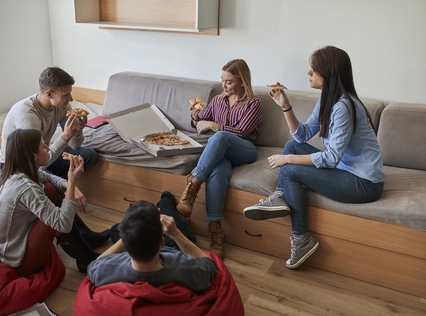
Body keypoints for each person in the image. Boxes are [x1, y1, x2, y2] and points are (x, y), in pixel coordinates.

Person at [243, 46, 386, 269]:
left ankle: (301, 239)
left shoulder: (343, 106)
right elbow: (301, 136)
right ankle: (280, 195)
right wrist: (285, 106)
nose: (308, 73)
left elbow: (330, 159)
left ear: (328, 72)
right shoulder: (328, 99)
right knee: (292, 145)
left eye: (313, 69)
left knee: (290, 168)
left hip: (365, 183)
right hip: (347, 171)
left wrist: (287, 160)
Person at [0, 128, 110, 276]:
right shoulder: (26, 188)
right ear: (33, 156)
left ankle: (85, 243)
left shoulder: (15, 172)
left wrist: (68, 185)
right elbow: (63, 224)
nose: (48, 148)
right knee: (58, 212)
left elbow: (48, 177)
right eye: (43, 146)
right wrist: (72, 183)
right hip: (16, 262)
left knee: (50, 189)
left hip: (5, 249)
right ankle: (87, 259)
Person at [175, 59, 263, 259]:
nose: (224, 86)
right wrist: (196, 118)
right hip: (222, 153)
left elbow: (240, 132)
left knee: (220, 136)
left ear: (242, 81)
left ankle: (193, 185)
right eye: (222, 80)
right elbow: (200, 123)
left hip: (245, 149)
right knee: (219, 167)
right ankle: (215, 229)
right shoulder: (217, 100)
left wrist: (215, 126)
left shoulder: (254, 103)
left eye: (229, 82)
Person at [87, 192, 217, 293]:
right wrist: (175, 233)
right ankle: (165, 201)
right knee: (165, 201)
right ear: (162, 242)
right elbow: (210, 265)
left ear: (125, 244)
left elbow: (95, 264)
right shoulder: (189, 270)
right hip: (173, 249)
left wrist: (131, 234)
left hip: (134, 249)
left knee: (115, 229)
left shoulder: (105, 271)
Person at [0, 67, 98, 179]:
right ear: (49, 94)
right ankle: (53, 183)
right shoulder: (27, 115)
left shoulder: (61, 106)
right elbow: (37, 160)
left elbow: (75, 146)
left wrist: (77, 132)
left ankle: (54, 181)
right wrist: (65, 136)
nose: (70, 99)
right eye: (65, 95)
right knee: (51, 184)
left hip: (43, 155)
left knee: (89, 155)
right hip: (22, 166)